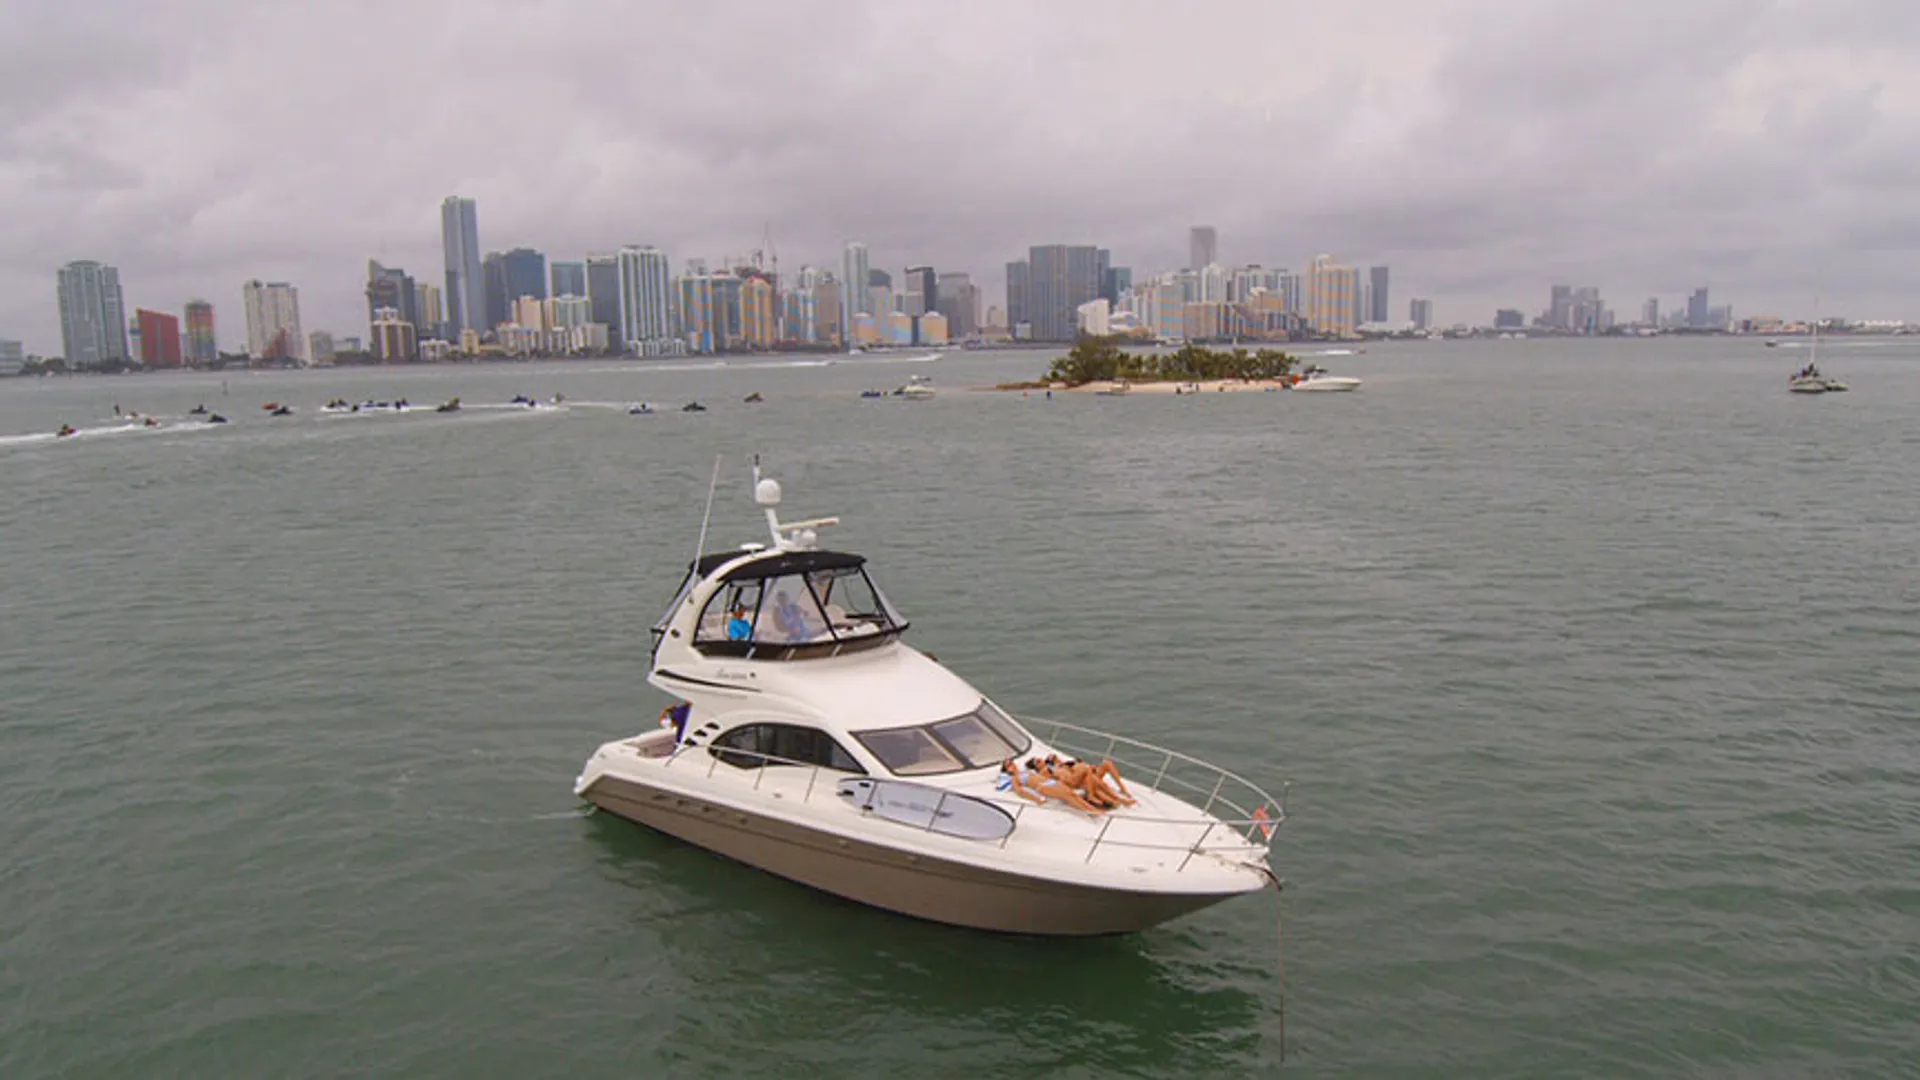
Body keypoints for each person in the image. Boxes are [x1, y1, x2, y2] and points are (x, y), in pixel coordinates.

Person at [999, 759, 1102, 813]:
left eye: (1011, 762)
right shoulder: (1015, 778)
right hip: (1042, 786)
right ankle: (1089, 810)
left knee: (1072, 793)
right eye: (1009, 765)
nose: (1012, 765)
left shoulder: (1025, 770)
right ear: (1007, 770)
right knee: (1067, 796)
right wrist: (1036, 799)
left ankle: (1092, 809)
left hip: (1050, 782)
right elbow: (1020, 791)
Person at [1046, 754, 1135, 807]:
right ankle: (1118, 799)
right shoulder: (1059, 768)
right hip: (1082, 779)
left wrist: (1092, 768)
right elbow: (1063, 779)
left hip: (1088, 773)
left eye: (1055, 756)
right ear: (1052, 762)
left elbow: (1082, 766)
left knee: (1107, 763)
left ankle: (1122, 788)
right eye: (1053, 758)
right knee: (1093, 779)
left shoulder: (1069, 762)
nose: (1055, 757)